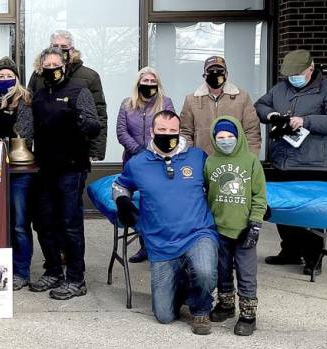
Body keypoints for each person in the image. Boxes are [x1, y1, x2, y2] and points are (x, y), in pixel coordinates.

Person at [112, 110, 218, 335]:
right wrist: (122, 202)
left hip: (197, 233)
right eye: (162, 130)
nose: (167, 134)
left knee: (206, 272)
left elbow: (219, 184)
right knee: (164, 316)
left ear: (179, 131)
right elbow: (120, 186)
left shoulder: (198, 157)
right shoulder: (138, 163)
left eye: (172, 130)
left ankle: (201, 308)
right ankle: (183, 282)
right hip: (161, 242)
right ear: (152, 131)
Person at [255, 49, 327, 275]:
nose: (292, 78)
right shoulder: (280, 88)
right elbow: (260, 105)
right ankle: (289, 251)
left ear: (310, 69)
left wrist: (306, 121)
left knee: (312, 214)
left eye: (296, 74)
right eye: (289, 75)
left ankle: (313, 258)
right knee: (284, 210)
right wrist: (271, 116)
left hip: (314, 164)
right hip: (283, 161)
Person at [28, 47, 100, 300]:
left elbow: (94, 124)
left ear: (65, 66)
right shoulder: (38, 94)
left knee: (70, 224)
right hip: (44, 168)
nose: (51, 69)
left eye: (56, 64)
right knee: (44, 223)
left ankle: (76, 278)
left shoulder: (78, 92)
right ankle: (54, 270)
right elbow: (26, 127)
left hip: (72, 167)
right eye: (46, 65)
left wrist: (87, 124)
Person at [205, 116, 267, 336]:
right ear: (214, 139)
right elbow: (205, 192)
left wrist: (255, 224)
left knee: (246, 273)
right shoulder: (210, 162)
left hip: (244, 231)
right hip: (219, 228)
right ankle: (226, 305)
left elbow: (259, 196)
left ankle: (248, 315)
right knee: (222, 270)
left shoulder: (251, 161)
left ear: (238, 136)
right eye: (220, 137)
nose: (226, 140)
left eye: (230, 136)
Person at [0, 57, 34, 290]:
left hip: (19, 171)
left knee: (19, 223)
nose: (4, 79)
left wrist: (4, 119)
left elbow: (23, 134)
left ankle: (21, 271)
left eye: (8, 76)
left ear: (17, 78)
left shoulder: (25, 102)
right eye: (0, 76)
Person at [115, 66, 175, 264]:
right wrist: (139, 151)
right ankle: (144, 246)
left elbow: (171, 130)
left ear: (157, 84)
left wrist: (152, 151)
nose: (148, 85)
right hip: (133, 161)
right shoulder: (127, 104)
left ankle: (160, 245)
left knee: (157, 203)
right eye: (145, 81)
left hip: (158, 161)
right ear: (138, 83)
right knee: (138, 203)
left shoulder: (166, 103)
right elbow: (121, 132)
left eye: (152, 81)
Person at [28, 30, 108, 161]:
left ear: (72, 50)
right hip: (45, 151)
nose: (59, 50)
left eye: (64, 47)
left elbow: (99, 113)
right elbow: (29, 111)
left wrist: (96, 150)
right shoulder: (39, 75)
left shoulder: (89, 76)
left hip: (75, 152)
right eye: (55, 47)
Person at [180, 56, 261, 156]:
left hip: (235, 162)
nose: (215, 74)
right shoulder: (191, 100)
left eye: (220, 71)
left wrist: (250, 159)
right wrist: (190, 159)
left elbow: (252, 131)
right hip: (202, 161)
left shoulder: (242, 97)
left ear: (226, 74)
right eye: (211, 71)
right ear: (204, 75)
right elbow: (185, 133)